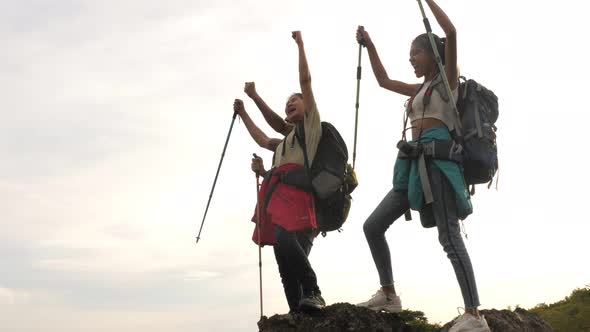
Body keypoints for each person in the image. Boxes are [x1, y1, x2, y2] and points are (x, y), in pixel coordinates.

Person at [355, 1, 490, 331]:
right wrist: (370, 45)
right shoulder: (420, 89)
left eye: (415, 53)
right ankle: (388, 293)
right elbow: (384, 81)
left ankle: (474, 315)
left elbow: (452, 32)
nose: (411, 59)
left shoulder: (448, 83)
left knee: (449, 236)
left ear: (432, 54)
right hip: (413, 167)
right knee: (373, 226)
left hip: (439, 165)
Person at [233, 31, 325, 314]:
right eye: (287, 102)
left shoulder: (310, 128)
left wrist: (300, 45)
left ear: (307, 107)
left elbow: (305, 81)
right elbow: (263, 138)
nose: (289, 103)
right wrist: (244, 112)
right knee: (284, 262)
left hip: (300, 200)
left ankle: (313, 290)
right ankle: (298, 312)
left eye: (294, 100)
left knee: (286, 242)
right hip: (279, 200)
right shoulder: (286, 141)